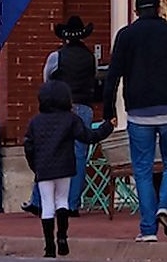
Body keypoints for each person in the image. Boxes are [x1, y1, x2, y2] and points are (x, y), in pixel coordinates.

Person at [102, 0, 167, 241]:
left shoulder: (126, 36)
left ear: (136, 12)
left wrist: (109, 111)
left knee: (142, 169)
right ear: (158, 9)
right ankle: (166, 205)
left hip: (139, 112)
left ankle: (147, 230)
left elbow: (112, 77)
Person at [25, 80, 112, 258]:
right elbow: (89, 136)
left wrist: (35, 166)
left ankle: (49, 247)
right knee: (62, 201)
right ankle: (62, 237)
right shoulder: (71, 119)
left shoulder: (36, 122)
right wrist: (107, 126)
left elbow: (29, 146)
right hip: (65, 166)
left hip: (43, 168)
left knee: (47, 205)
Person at [44, 17, 103, 216]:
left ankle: (45, 201)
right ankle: (72, 204)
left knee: (53, 151)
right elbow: (94, 77)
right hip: (84, 107)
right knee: (79, 156)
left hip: (62, 108)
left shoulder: (56, 56)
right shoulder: (90, 57)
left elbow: (47, 79)